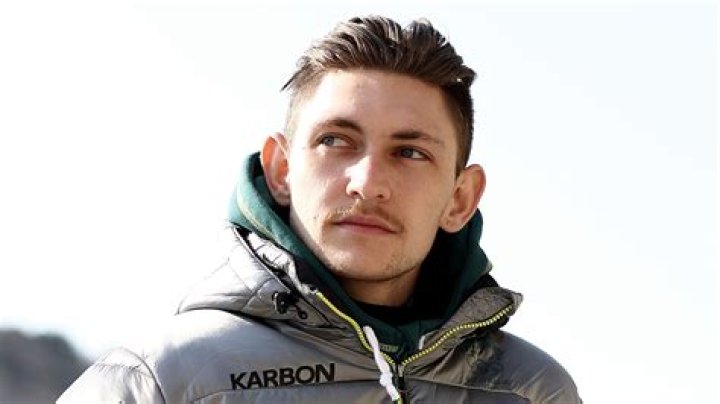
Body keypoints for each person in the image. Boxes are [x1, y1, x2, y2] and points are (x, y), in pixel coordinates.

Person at [59, 15, 581, 403]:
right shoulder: (161, 381)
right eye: (335, 141)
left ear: (460, 198)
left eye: (409, 152)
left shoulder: (532, 391)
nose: (367, 183)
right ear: (281, 170)